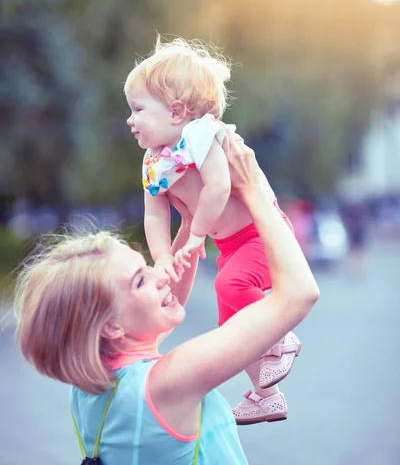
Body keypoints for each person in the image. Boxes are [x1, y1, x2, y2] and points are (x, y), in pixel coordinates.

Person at [14, 129, 319, 465]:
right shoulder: (167, 384)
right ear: (112, 327)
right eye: (140, 281)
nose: (159, 277)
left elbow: (164, 291)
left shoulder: (92, 390)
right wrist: (254, 188)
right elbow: (299, 294)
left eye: (147, 266)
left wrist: (190, 221)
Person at [124, 37, 303, 423]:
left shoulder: (203, 134)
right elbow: (155, 215)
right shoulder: (153, 163)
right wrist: (164, 256)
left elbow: (219, 186)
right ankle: (266, 394)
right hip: (232, 246)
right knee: (232, 323)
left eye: (137, 109)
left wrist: (197, 234)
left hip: (260, 233)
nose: (130, 119)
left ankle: (280, 335)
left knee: (230, 287)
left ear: (176, 112)